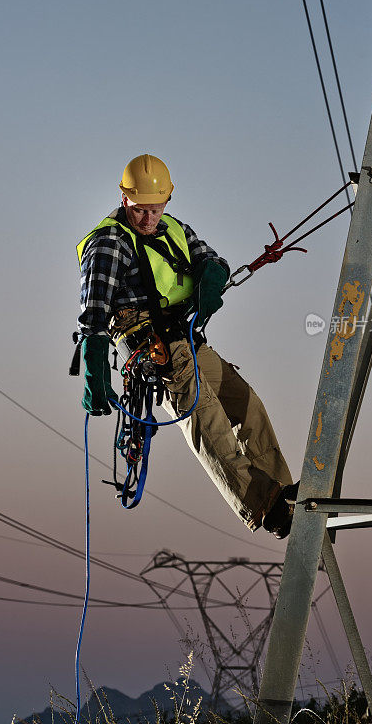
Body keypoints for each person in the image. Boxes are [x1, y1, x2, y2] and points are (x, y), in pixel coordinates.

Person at [76, 154, 298, 538]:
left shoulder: (175, 229)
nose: (148, 218)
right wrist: (94, 371)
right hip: (153, 348)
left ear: (167, 201)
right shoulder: (108, 244)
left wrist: (213, 275)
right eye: (140, 209)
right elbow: (93, 317)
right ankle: (261, 503)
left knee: (247, 405)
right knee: (207, 419)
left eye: (155, 209)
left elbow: (211, 258)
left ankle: (284, 494)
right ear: (124, 199)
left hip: (187, 339)